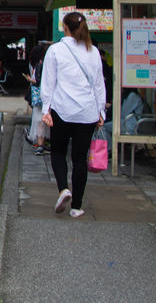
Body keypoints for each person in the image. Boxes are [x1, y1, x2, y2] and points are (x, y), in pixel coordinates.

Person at [41, 11, 106, 218]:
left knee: (58, 152)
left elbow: (49, 81)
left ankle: (63, 189)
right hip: (87, 113)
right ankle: (77, 207)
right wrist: (101, 110)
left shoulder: (55, 50)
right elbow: (99, 84)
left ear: (64, 27)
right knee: (80, 159)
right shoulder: (93, 51)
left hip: (62, 110)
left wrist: (46, 108)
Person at [25, 42, 51, 155]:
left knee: (41, 120)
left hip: (42, 98)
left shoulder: (40, 65)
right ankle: (41, 144)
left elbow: (37, 82)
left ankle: (41, 144)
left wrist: (30, 80)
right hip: (45, 98)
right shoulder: (43, 65)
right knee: (42, 121)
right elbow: (40, 81)